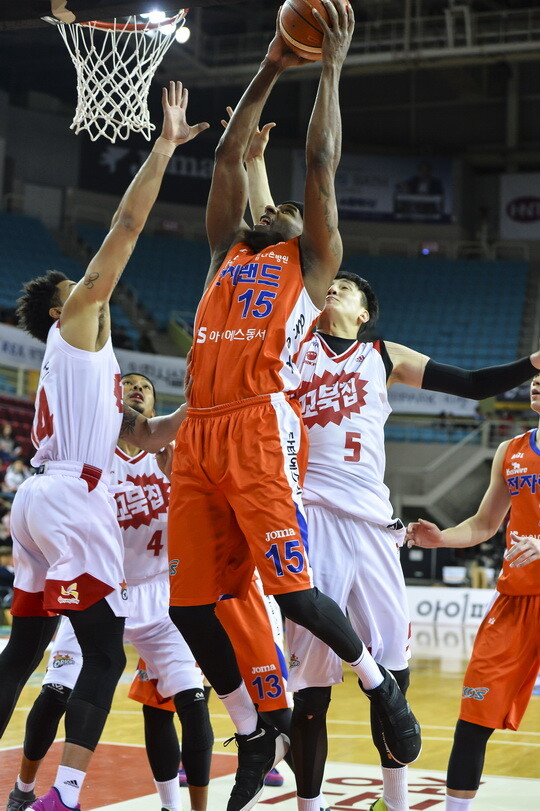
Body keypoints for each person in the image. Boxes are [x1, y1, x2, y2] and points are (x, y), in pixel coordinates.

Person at [240, 106, 540, 811]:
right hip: (313, 516)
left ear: (365, 312)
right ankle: (309, 803)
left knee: (394, 673)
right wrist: (254, 167)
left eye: (346, 288)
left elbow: (471, 384)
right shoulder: (294, 342)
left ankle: (396, 800)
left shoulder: (384, 356)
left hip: (374, 525)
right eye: (331, 285)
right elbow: (281, 252)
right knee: (311, 686)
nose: (334, 288)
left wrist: (530, 363)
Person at [168, 6, 422, 811]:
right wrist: (273, 62)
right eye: (266, 205)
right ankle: (254, 729)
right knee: (187, 605)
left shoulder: (309, 262)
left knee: (290, 592)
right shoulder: (224, 249)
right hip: (197, 434)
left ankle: (378, 683)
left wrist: (330, 67)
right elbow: (228, 156)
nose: (272, 207)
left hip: (255, 422)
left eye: (285, 209)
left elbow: (320, 161)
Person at [0, 82, 208, 811]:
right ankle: (62, 795)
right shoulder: (79, 320)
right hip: (72, 498)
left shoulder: (81, 357)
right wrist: (164, 147)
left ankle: (38, 789)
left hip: (37, 499)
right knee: (102, 653)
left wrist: (203, 403)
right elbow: (127, 223)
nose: (98, 284)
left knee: (23, 651)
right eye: (81, 281)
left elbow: (146, 434)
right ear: (67, 304)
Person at [6, 373, 213, 811]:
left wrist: (182, 480)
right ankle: (24, 788)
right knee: (55, 692)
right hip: (98, 590)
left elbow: (203, 522)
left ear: (154, 408)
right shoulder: (93, 455)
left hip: (157, 593)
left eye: (146, 388)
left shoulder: (175, 457)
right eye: (129, 384)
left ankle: (184, 807)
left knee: (192, 701)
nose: (136, 389)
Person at [405, 372, 540, 811]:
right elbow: (484, 524)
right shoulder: (511, 450)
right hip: (514, 601)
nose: (537, 383)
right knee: (473, 717)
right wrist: (442, 538)